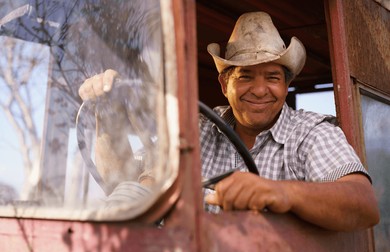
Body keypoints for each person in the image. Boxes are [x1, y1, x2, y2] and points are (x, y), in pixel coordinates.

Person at [78, 11, 379, 231]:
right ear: (225, 85)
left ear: (286, 86)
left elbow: (363, 204)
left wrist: (280, 192)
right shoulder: (195, 129)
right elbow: (125, 187)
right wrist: (107, 116)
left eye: (272, 77)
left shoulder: (310, 133)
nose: (259, 90)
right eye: (245, 76)